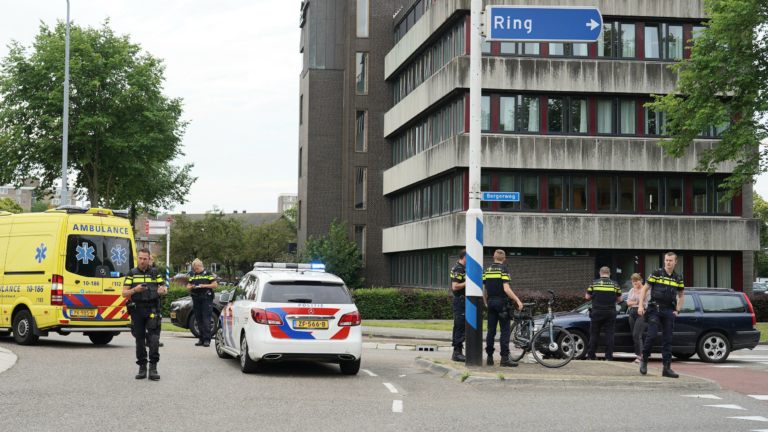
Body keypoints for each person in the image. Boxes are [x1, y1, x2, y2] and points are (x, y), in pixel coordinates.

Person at [122, 248, 167, 380]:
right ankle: (142, 367)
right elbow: (124, 293)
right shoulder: (131, 273)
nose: (142, 261)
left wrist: (162, 290)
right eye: (140, 258)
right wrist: (135, 289)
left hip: (153, 309)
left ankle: (153, 368)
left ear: (149, 259)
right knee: (139, 340)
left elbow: (164, 288)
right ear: (137, 258)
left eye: (145, 259)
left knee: (154, 340)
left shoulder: (154, 272)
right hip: (137, 309)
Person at [638, 252, 684, 378]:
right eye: (666, 260)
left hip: (669, 310)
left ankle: (666, 368)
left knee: (667, 339)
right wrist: (641, 305)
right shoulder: (656, 273)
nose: (668, 262)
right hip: (655, 309)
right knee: (651, 336)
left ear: (675, 262)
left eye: (670, 260)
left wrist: (677, 310)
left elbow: (681, 296)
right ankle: (644, 361)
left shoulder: (678, 277)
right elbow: (645, 289)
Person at [482, 250, 523, 367]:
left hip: (490, 302)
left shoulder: (487, 271)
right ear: (503, 259)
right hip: (502, 303)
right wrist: (518, 300)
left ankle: (489, 357)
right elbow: (506, 289)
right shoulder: (504, 270)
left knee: (491, 331)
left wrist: (486, 302)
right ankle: (504, 359)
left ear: (493, 258)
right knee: (505, 331)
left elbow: (483, 289)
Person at [585, 267, 622, 361]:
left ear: (600, 274)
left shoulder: (594, 283)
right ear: (609, 274)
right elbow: (620, 299)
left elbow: (587, 297)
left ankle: (591, 356)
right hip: (610, 312)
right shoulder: (615, 284)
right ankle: (609, 357)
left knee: (594, 334)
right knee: (609, 334)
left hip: (597, 312)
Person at [187, 258, 218, 347]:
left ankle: (207, 339)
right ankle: (201, 339)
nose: (196, 270)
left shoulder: (208, 273)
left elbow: (215, 285)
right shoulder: (193, 275)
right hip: (196, 298)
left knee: (206, 319)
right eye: (195, 269)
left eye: (197, 269)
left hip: (206, 298)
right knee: (198, 319)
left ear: (201, 266)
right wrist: (192, 286)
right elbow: (188, 287)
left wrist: (204, 285)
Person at [627, 273, 650, 364]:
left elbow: (641, 300)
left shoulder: (645, 290)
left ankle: (639, 357)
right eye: (633, 281)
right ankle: (641, 355)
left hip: (641, 313)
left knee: (637, 334)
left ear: (640, 280)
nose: (635, 283)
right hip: (632, 312)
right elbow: (628, 303)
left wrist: (636, 292)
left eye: (636, 281)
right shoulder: (631, 290)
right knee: (634, 334)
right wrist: (637, 301)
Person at [449, 250, 467, 362]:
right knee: (460, 326)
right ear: (465, 258)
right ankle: (457, 352)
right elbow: (455, 286)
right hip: (459, 301)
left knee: (459, 326)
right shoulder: (458, 269)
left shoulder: (461, 268)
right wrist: (469, 281)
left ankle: (457, 351)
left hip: (461, 301)